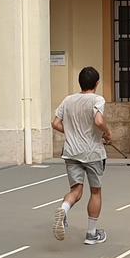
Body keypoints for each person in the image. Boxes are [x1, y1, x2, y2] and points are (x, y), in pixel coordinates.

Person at [51, 66, 112, 245]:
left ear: (80, 82)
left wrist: (70, 133)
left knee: (76, 190)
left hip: (71, 152)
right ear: (97, 83)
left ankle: (63, 209)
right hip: (93, 152)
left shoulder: (68, 100)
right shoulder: (97, 99)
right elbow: (99, 121)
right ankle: (92, 234)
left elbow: (55, 123)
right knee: (95, 191)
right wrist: (107, 133)